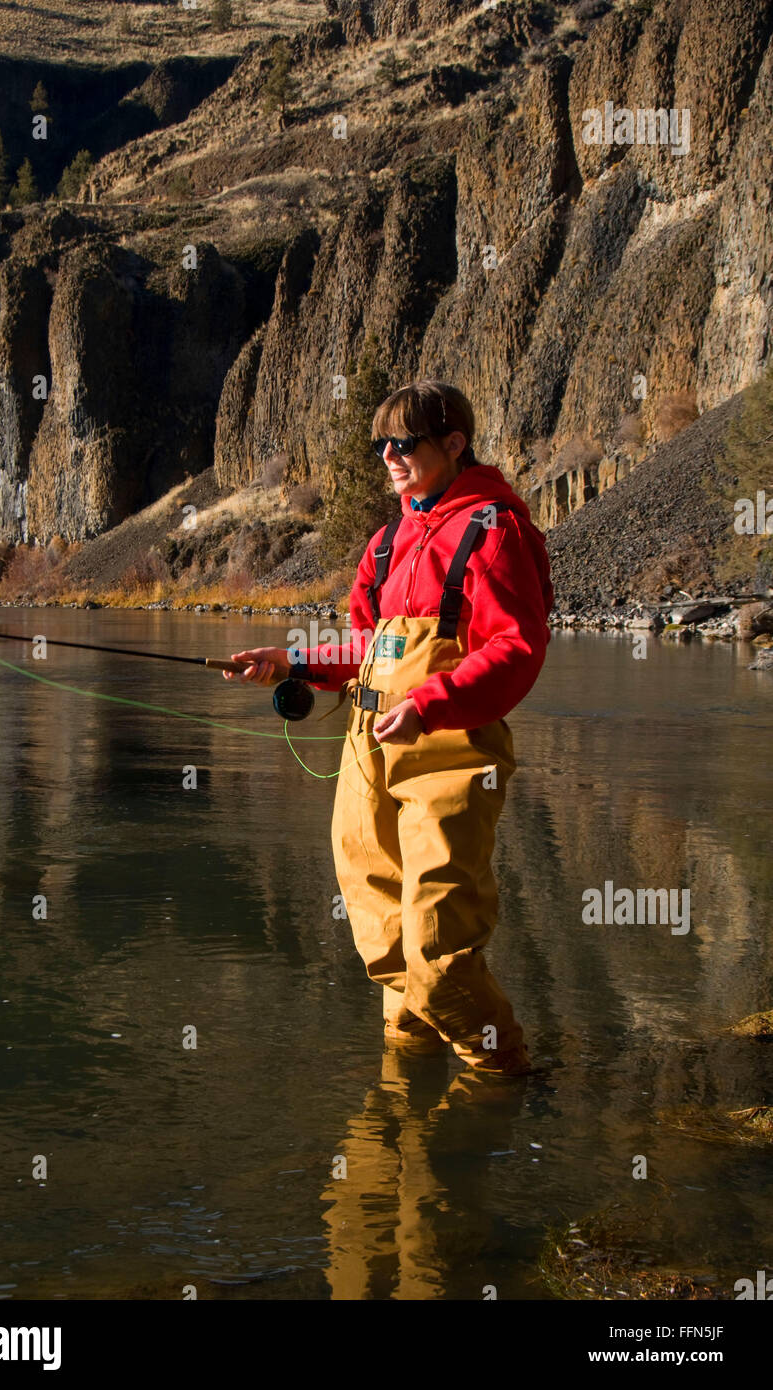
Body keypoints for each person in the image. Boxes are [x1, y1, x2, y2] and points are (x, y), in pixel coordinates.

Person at [223, 379, 553, 1076]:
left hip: (452, 757)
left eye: (402, 442)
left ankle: (504, 1086)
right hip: (366, 758)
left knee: (435, 953)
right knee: (384, 946)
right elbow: (373, 650)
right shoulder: (385, 542)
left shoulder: (497, 530)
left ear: (453, 443)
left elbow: (514, 651)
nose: (387, 456)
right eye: (381, 444)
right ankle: (405, 1107)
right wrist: (293, 662)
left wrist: (431, 705)